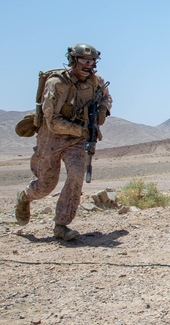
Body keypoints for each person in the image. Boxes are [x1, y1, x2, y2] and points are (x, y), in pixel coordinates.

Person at [14, 43, 112, 241]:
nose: (88, 65)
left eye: (91, 61)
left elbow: (107, 98)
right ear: (73, 60)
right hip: (51, 138)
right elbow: (51, 121)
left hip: (77, 140)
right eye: (84, 60)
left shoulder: (97, 82)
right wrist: (80, 129)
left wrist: (103, 110)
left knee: (76, 176)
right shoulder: (56, 83)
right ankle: (24, 197)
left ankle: (61, 225)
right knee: (45, 185)